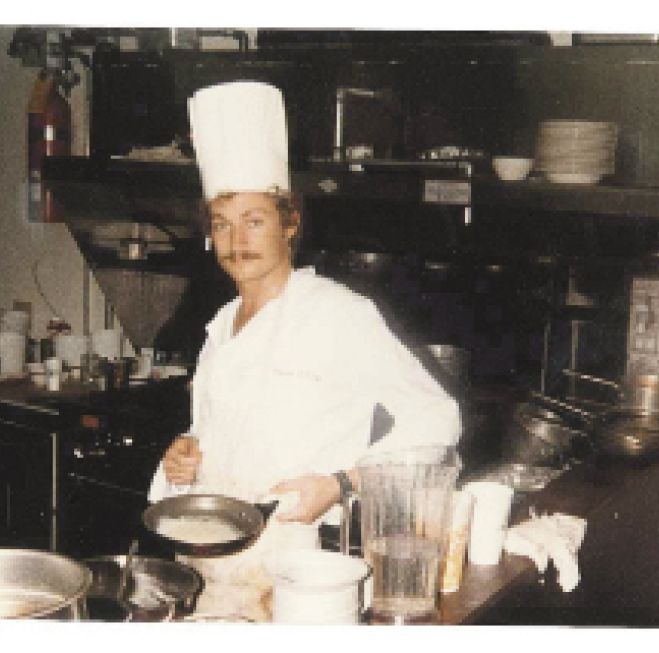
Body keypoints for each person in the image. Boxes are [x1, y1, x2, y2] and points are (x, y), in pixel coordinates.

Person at [146, 81, 460, 616]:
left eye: (254, 220)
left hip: (297, 572)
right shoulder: (221, 327)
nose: (236, 240)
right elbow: (218, 431)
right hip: (207, 564)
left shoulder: (338, 313)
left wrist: (340, 484)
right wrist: (186, 452)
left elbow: (437, 417)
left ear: (289, 224)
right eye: (221, 225)